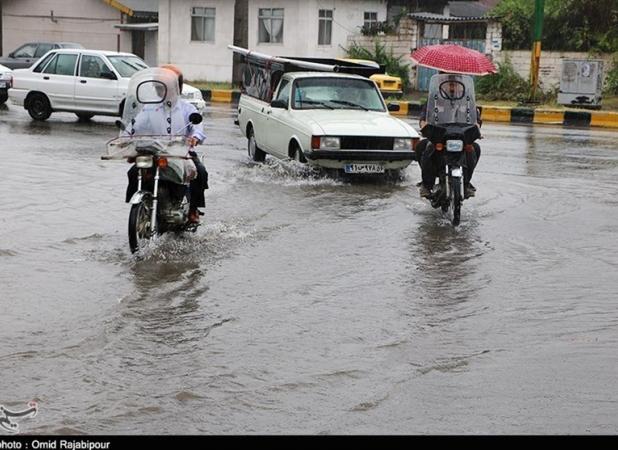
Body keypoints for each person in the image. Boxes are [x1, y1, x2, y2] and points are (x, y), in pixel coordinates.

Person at [124, 65, 209, 224]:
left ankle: (193, 210)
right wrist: (125, 137)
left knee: (201, 172)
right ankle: (139, 207)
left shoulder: (187, 108)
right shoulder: (149, 108)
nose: (159, 91)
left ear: (176, 87)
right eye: (157, 87)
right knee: (133, 172)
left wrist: (195, 138)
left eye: (163, 87)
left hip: (181, 153)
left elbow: (198, 128)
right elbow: (135, 125)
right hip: (155, 152)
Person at [415, 78, 481, 200]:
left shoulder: (467, 100)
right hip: (440, 134)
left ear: (460, 84)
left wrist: (476, 130)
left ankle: (466, 183)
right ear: (442, 83)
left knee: (474, 149)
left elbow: (476, 120)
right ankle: (427, 184)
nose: (452, 86)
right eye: (449, 83)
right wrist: (424, 127)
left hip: (461, 134)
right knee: (423, 146)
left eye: (454, 83)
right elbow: (424, 118)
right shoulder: (434, 99)